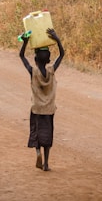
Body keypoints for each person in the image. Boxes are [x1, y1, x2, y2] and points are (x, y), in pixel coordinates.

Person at [19, 28, 65, 171]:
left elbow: (21, 56)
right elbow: (62, 54)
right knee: (48, 135)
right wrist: (56, 38)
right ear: (48, 59)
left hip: (37, 108)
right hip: (49, 110)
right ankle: (46, 164)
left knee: (36, 132)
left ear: (35, 59)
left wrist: (25, 42)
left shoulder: (33, 72)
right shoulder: (51, 71)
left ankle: (37, 152)